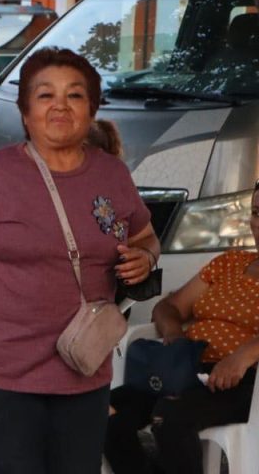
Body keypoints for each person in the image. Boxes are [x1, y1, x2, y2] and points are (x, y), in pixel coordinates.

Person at [0, 47, 162, 474]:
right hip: (3, 368)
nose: (60, 105)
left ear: (92, 108)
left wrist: (145, 256)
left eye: (74, 95)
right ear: (25, 111)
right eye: (45, 95)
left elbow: (146, 235)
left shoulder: (112, 175)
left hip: (84, 366)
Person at [105, 181, 259, 474]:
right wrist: (175, 335)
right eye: (256, 212)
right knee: (103, 412)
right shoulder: (229, 263)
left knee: (170, 417)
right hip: (184, 369)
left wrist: (243, 356)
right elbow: (168, 307)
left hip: (242, 382)